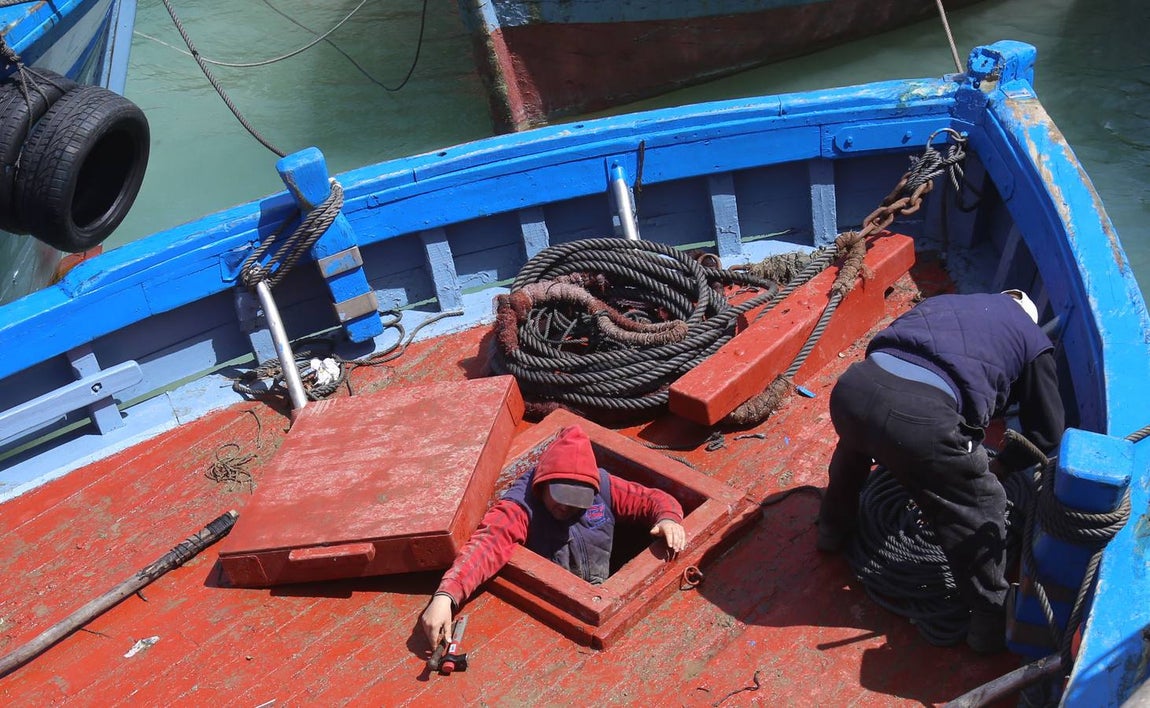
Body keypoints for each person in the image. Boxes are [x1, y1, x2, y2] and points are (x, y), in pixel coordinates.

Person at [816, 290, 1064, 653]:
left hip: (854, 389)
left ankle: (831, 530)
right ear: (1029, 318)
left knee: (856, 447)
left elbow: (885, 348)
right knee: (983, 502)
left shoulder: (944, 302)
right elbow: (1048, 430)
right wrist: (1004, 465)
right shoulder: (1031, 337)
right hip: (921, 418)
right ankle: (987, 618)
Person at [420, 424, 687, 649]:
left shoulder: (602, 488)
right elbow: (486, 546)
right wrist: (446, 596)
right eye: (560, 498)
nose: (565, 507)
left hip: (600, 581)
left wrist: (668, 518)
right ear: (543, 484)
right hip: (564, 600)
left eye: (576, 502)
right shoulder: (521, 507)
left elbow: (651, 499)